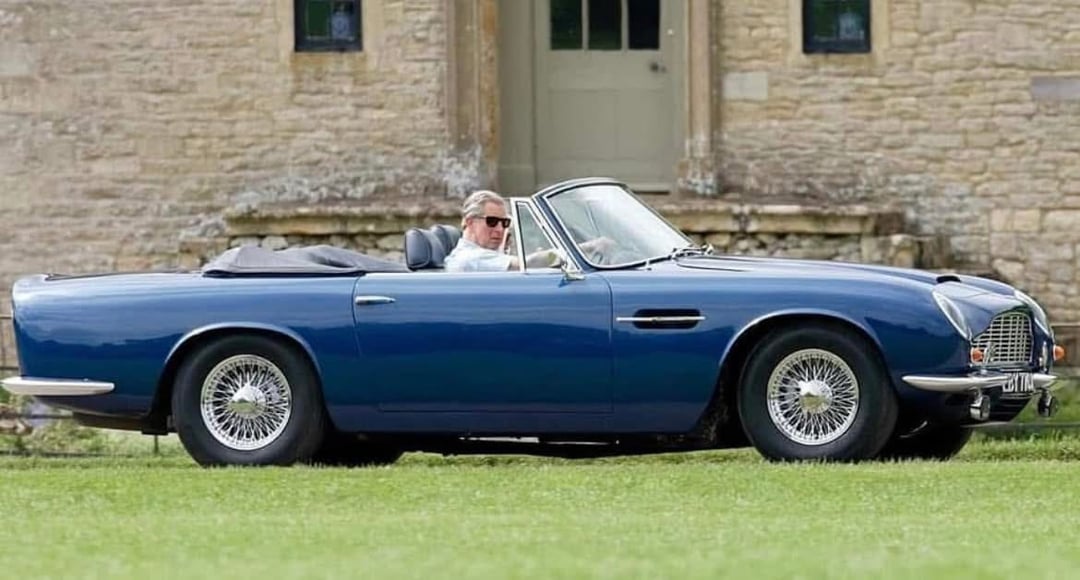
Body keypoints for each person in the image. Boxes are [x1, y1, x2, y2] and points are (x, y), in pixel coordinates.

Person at [444, 190, 563, 272]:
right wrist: (561, 256)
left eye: (505, 222)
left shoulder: (482, 256)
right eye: (492, 221)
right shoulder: (470, 258)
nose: (500, 229)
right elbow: (526, 264)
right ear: (470, 222)